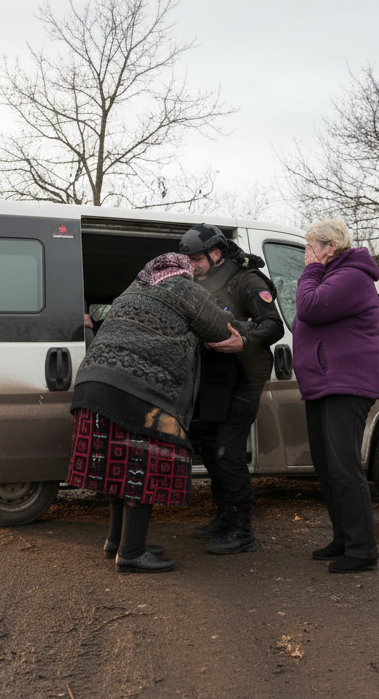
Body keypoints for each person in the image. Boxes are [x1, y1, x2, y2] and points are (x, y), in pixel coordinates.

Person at [66, 253, 245, 573]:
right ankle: (132, 552)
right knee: (140, 466)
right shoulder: (186, 289)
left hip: (92, 385)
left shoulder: (132, 289)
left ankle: (116, 541)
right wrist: (243, 333)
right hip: (136, 391)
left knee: (116, 468)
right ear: (185, 270)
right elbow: (222, 330)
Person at [179, 223, 284, 555]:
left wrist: (245, 339)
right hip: (212, 379)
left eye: (196, 259)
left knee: (228, 453)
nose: (191, 266)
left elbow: (273, 326)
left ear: (215, 253)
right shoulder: (197, 285)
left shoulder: (247, 280)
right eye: (188, 260)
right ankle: (225, 518)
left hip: (243, 377)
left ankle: (242, 530)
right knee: (209, 450)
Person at [292, 218, 379, 573]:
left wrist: (311, 272)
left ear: (328, 247)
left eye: (308, 246)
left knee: (344, 468)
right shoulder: (332, 277)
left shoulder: (352, 277)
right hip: (323, 385)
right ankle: (344, 538)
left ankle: (363, 550)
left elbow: (309, 308)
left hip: (345, 384)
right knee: (328, 467)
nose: (305, 255)